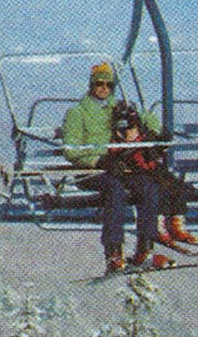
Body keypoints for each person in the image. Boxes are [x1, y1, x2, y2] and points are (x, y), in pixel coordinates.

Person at [61, 62, 172, 273]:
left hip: (122, 166)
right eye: (99, 84)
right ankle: (114, 252)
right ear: (91, 86)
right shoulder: (78, 113)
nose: (103, 89)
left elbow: (151, 122)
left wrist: (152, 132)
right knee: (115, 190)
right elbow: (71, 149)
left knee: (148, 187)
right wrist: (98, 160)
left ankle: (144, 250)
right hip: (92, 171)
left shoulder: (121, 108)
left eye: (108, 85)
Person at [108, 101, 198, 251]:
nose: (130, 132)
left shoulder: (144, 138)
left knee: (177, 186)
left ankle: (177, 223)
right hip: (135, 173)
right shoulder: (119, 143)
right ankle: (158, 226)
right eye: (126, 129)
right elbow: (117, 154)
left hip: (151, 169)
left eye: (133, 127)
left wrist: (158, 142)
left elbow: (155, 151)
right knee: (157, 188)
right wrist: (131, 146)